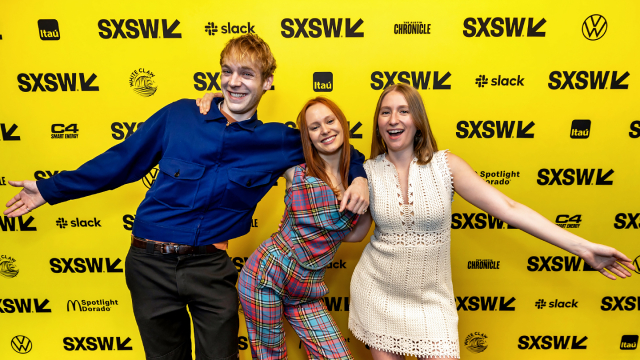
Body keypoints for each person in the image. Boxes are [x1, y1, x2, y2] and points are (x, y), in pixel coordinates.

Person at [3, 34, 369, 360]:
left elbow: (338, 148)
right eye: (227, 71)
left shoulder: (277, 141)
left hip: (210, 268)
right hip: (149, 265)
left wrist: (360, 180)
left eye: (246, 74)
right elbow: (120, 162)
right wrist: (49, 190)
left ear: (267, 83)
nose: (234, 82)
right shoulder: (180, 115)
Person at [346, 83, 635, 360]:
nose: (393, 119)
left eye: (403, 111)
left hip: (432, 301)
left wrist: (581, 247)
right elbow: (357, 234)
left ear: (418, 120)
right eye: (385, 112)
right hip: (378, 293)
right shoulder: (367, 173)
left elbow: (509, 208)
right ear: (377, 123)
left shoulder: (447, 166)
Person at [235, 97, 374, 360]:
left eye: (330, 121)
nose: (325, 130)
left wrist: (365, 192)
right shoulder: (295, 168)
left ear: (342, 123)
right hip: (265, 275)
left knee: (337, 357)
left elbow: (354, 235)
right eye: (314, 127)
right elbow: (244, 138)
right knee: (270, 356)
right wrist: (221, 100)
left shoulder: (359, 176)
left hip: (306, 289)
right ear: (306, 135)